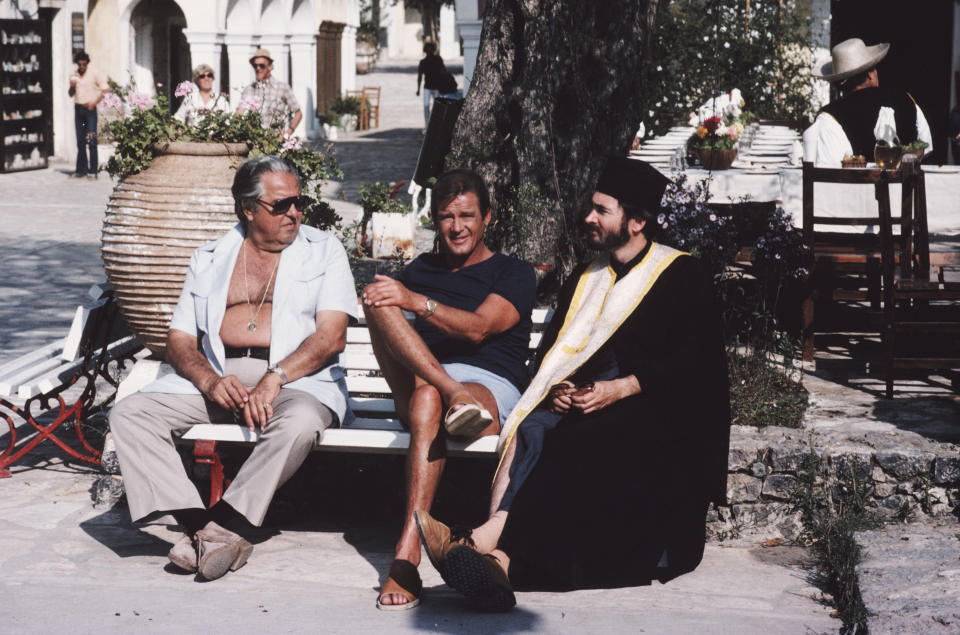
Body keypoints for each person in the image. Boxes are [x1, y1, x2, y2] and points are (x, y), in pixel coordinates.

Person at [415, 158, 731, 611]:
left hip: (655, 414)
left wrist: (623, 388)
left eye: (602, 210)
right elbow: (558, 353)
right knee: (535, 427)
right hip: (591, 404)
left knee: (573, 438)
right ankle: (495, 557)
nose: (589, 218)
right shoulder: (587, 276)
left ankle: (486, 547)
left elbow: (696, 365)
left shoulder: (682, 275)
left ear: (637, 221)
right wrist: (562, 388)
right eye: (591, 208)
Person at [109, 155, 357, 581]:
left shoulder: (323, 251)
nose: (294, 213)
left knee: (298, 424)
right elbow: (180, 340)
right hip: (221, 379)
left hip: (296, 379)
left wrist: (274, 377)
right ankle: (202, 528)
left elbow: (331, 336)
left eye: (298, 202)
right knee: (129, 414)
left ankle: (224, 524)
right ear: (247, 208)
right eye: (280, 205)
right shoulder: (209, 257)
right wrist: (208, 380)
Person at [361, 169, 536, 610]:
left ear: (487, 217)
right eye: (445, 217)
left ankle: (406, 551)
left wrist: (416, 302)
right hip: (432, 385)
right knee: (378, 296)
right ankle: (446, 389)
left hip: (486, 390)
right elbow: (393, 319)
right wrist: (394, 297)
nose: (456, 227)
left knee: (426, 398)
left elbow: (479, 329)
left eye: (466, 216)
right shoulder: (420, 270)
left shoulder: (513, 273)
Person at [804, 38, 932, 165]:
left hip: (856, 185)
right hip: (907, 185)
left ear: (838, 83)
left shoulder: (830, 117)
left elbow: (829, 168)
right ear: (871, 75)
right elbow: (926, 147)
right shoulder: (906, 99)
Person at [235, 48, 302, 136]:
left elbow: (298, 113)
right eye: (255, 66)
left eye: (262, 65)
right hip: (254, 140)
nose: (258, 68)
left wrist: (287, 134)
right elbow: (239, 113)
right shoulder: (249, 89)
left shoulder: (282, 87)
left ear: (270, 67)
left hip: (274, 141)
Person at [68, 51, 110, 179]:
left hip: (90, 110)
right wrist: (72, 87)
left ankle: (93, 171)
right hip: (79, 109)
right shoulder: (74, 76)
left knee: (91, 140)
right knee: (80, 141)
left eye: (84, 64)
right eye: (80, 64)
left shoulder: (94, 74)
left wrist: (95, 102)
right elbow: (70, 94)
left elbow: (106, 89)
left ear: (87, 63)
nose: (82, 67)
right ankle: (81, 170)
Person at [416, 41, 446, 128]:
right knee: (426, 106)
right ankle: (427, 125)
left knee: (436, 107)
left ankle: (435, 125)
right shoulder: (423, 62)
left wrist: (443, 87)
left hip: (437, 87)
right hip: (427, 87)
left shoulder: (438, 60)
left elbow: (443, 73)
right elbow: (420, 76)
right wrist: (418, 89)